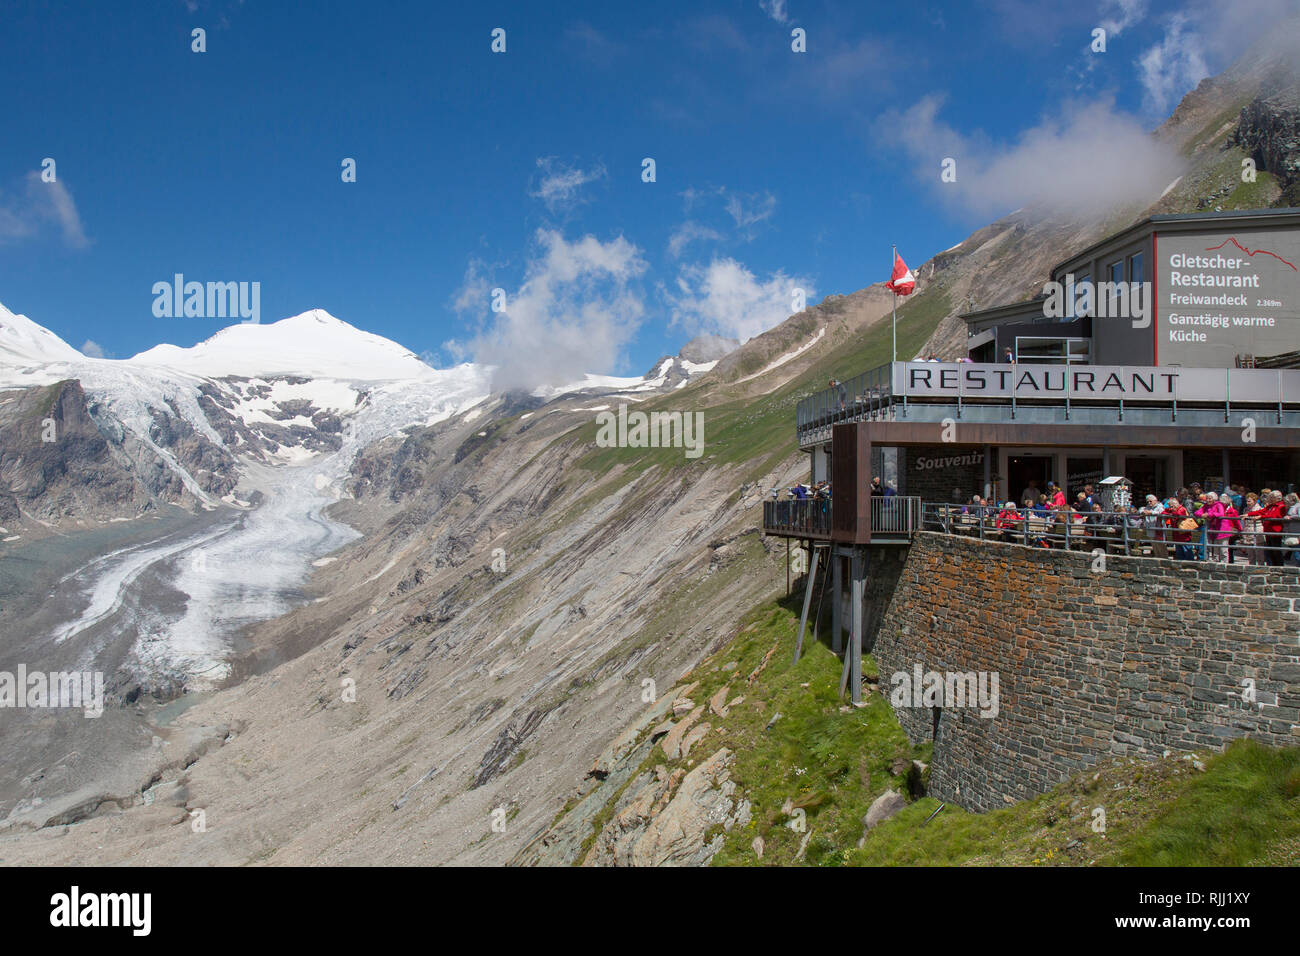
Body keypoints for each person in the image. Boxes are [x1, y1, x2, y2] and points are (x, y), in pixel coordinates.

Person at [1195, 492, 1228, 563]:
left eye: (1209, 498)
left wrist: (1209, 514)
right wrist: (1202, 515)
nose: (1208, 500)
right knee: (1214, 548)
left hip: (1222, 528)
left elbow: (1221, 514)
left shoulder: (1219, 505)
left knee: (1223, 549)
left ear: (1214, 499)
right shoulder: (1206, 505)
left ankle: (1224, 563)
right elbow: (1197, 512)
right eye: (1207, 498)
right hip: (1213, 529)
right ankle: (1214, 562)